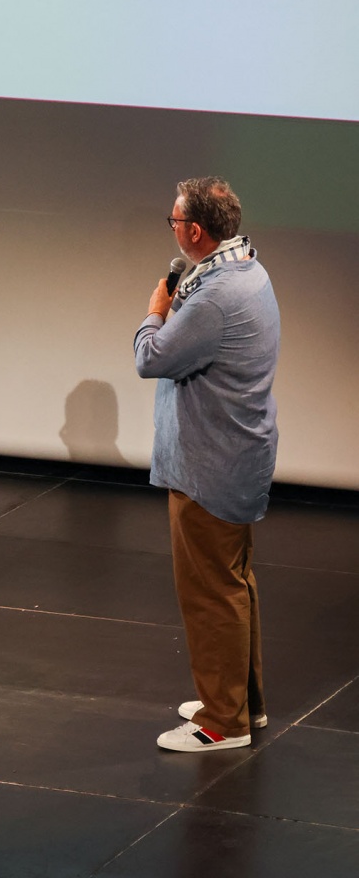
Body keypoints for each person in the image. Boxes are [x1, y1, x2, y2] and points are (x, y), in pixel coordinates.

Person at [134, 177, 280, 752]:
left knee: (210, 592)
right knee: (233, 583)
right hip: (236, 457)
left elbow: (152, 357)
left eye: (174, 221)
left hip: (209, 467)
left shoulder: (215, 297)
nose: (172, 229)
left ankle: (223, 721)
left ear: (195, 230)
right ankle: (242, 701)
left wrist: (155, 312)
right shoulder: (249, 270)